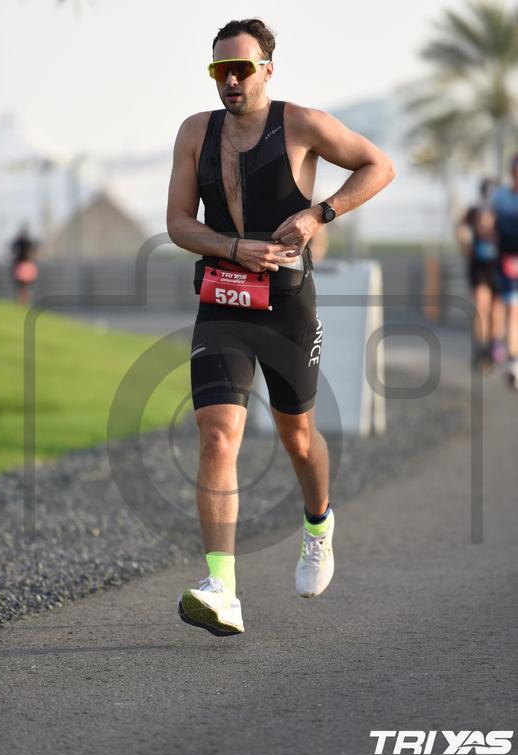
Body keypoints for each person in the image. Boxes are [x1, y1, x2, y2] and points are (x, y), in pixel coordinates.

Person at [166, 18, 395, 636]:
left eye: (241, 68)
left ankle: (318, 523)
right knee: (218, 436)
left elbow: (378, 166)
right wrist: (233, 247)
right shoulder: (196, 132)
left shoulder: (303, 124)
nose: (231, 80)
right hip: (222, 299)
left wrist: (322, 213)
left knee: (297, 437)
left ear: (267, 69)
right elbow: (179, 223)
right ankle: (222, 588)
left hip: (287, 304)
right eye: (220, 70)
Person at [456, 179, 506, 370]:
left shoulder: (503, 211)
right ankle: (481, 347)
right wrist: (466, 245)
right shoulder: (473, 211)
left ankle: (495, 342)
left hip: (499, 265)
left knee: (497, 309)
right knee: (481, 305)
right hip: (479, 266)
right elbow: (461, 230)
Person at [491, 154, 518, 389]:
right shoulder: (501, 197)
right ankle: (513, 360)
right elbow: (490, 225)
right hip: (508, 260)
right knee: (512, 308)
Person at [9, 223, 39, 306]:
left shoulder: (29, 242)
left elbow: (34, 252)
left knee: (26, 285)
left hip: (27, 265)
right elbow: (13, 251)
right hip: (21, 265)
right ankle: (21, 301)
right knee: (21, 285)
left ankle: (25, 301)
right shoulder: (19, 242)